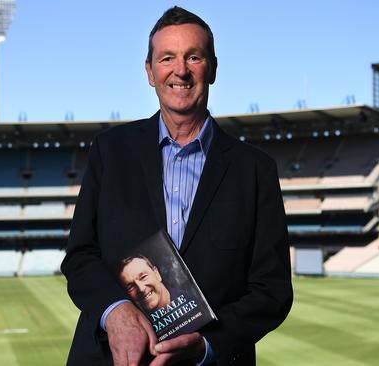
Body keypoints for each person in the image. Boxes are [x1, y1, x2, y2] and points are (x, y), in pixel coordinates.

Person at [61, 6, 292, 366]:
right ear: (150, 71)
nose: (180, 70)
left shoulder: (255, 169)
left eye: (193, 57)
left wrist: (207, 344)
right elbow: (80, 256)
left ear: (212, 68)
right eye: (167, 58)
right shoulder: (111, 151)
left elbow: (272, 290)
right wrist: (116, 311)